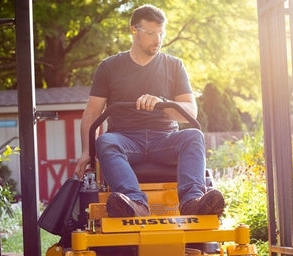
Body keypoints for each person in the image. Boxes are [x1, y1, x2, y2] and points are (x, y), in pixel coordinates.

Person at [74, 4, 224, 218]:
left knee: (194, 136)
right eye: (151, 33)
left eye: (161, 33)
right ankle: (135, 203)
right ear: (134, 31)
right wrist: (86, 152)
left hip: (165, 140)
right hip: (125, 140)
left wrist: (163, 104)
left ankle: (193, 202)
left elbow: (191, 111)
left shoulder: (174, 66)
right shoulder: (109, 67)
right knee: (105, 141)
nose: (158, 39)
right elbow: (92, 113)